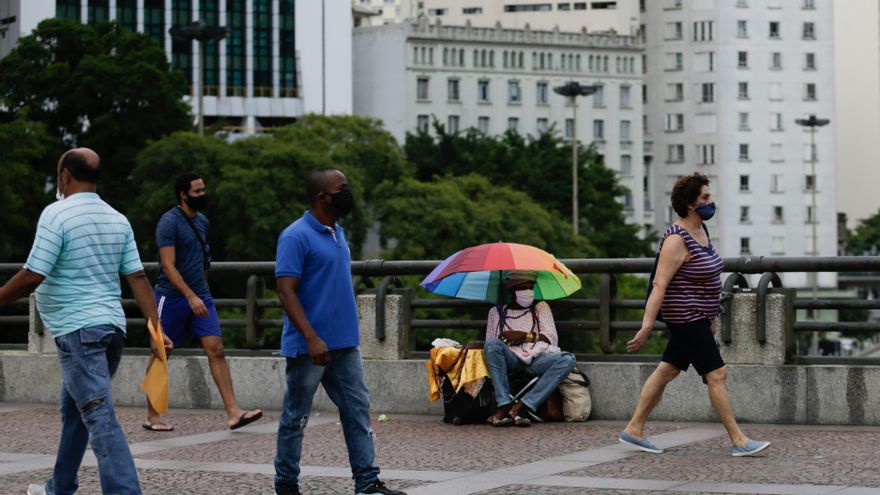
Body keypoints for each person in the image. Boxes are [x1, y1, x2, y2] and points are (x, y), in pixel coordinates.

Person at [0, 148, 172, 495]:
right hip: (111, 332)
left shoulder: (57, 215)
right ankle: (59, 487)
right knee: (77, 411)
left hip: (79, 334)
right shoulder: (117, 218)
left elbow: (33, 275)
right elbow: (138, 278)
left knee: (100, 419)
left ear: (64, 176)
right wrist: (156, 329)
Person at [274, 168, 406, 495]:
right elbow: (286, 291)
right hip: (309, 347)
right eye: (342, 188)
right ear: (322, 196)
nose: (348, 194)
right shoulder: (295, 235)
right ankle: (286, 484)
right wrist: (311, 337)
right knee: (296, 417)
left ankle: (367, 482)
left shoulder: (338, 232)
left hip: (345, 344)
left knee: (357, 412)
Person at [620, 172, 771, 457]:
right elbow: (659, 284)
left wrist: (711, 315)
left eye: (709, 197)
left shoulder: (701, 230)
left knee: (668, 369)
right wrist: (647, 326)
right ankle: (738, 440)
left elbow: (705, 279)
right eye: (705, 197)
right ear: (691, 203)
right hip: (685, 317)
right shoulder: (677, 239)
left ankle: (634, 429)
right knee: (717, 374)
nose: (710, 202)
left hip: (699, 316)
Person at [143, 173, 262, 431]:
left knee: (216, 350)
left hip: (201, 296)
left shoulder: (203, 222)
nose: (202, 195)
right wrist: (190, 295)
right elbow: (167, 265)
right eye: (197, 192)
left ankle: (233, 412)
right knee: (162, 351)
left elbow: (202, 260)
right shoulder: (169, 222)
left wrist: (202, 293)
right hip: (172, 297)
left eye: (203, 190)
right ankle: (152, 416)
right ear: (183, 194)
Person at [484, 271, 577, 427]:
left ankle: (525, 404)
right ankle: (504, 403)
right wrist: (504, 339)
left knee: (567, 359)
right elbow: (491, 344)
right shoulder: (496, 313)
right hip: (510, 360)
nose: (528, 292)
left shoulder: (540, 308)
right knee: (492, 345)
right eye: (522, 287)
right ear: (511, 291)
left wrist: (523, 336)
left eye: (531, 287)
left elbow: (551, 337)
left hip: (536, 360)